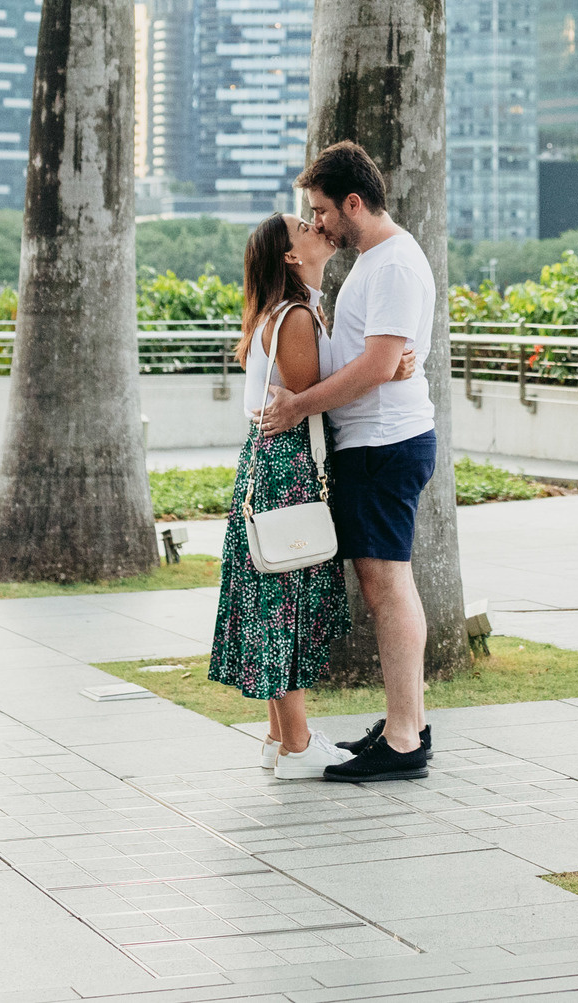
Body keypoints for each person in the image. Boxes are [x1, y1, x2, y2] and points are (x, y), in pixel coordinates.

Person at [259, 141, 438, 785]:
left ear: (353, 203)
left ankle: (404, 737)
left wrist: (301, 402)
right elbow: (381, 355)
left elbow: (379, 363)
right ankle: (404, 724)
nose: (318, 223)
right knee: (383, 580)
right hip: (373, 442)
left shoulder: (390, 264)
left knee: (387, 583)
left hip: (384, 444)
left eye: (322, 210)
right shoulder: (373, 263)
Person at [208, 215, 356, 778]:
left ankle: (280, 737)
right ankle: (296, 744)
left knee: (276, 589)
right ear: (291, 256)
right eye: (304, 226)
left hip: (266, 462)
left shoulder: (280, 311)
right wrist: (389, 371)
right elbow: (315, 392)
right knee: (286, 599)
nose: (316, 226)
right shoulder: (294, 317)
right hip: (287, 463)